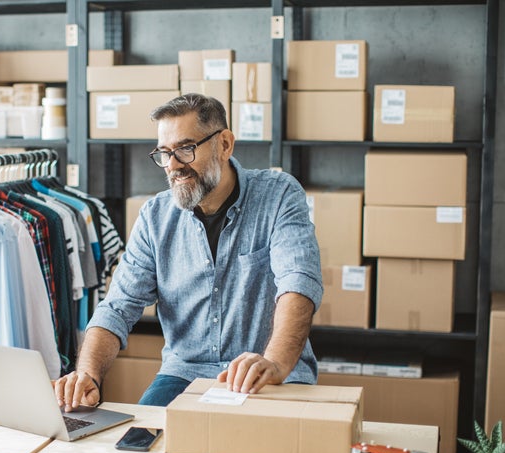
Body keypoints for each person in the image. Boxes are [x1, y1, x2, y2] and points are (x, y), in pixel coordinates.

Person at [55, 93, 322, 410]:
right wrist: (87, 374)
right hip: (184, 376)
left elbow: (298, 283)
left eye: (185, 149)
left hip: (267, 374)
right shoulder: (155, 217)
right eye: (164, 154)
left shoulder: (279, 195)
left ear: (224, 144)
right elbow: (117, 307)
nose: (173, 166)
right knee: (139, 448)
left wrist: (275, 362)